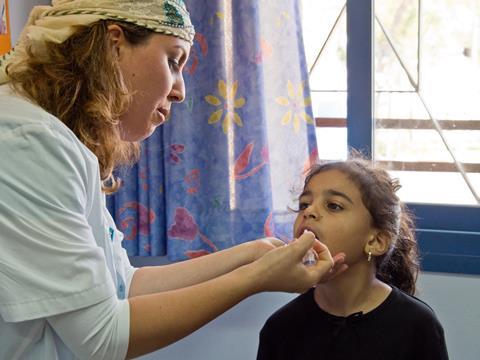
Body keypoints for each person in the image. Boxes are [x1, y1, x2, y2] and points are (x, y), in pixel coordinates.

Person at [0, 1, 347, 359]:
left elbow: (125, 283)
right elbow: (103, 339)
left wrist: (252, 255)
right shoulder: (28, 141)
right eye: (172, 61)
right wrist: (256, 279)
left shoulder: (59, 142)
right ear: (113, 44)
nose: (180, 91)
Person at [256, 157, 449, 360]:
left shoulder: (418, 327)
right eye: (304, 204)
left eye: (333, 206)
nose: (309, 211)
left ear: (375, 241)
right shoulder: (280, 328)